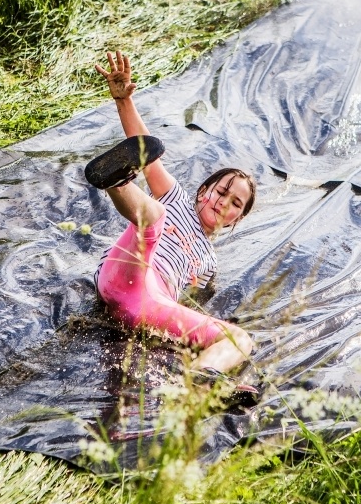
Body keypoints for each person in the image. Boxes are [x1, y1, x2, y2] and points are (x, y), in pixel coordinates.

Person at [87, 51, 257, 381]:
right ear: (203, 192)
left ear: (237, 218)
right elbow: (145, 150)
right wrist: (124, 102)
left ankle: (202, 376)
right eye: (221, 192)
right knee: (156, 215)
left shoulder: (209, 264)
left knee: (240, 338)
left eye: (235, 203)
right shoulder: (176, 197)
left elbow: (188, 307)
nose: (224, 203)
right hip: (125, 274)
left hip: (152, 307)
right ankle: (117, 182)